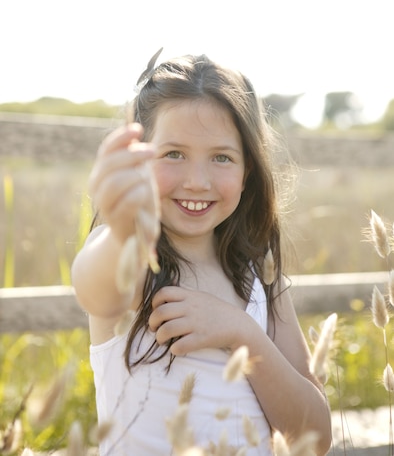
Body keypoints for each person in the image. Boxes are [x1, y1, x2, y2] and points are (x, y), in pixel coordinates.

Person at [71, 52, 332, 456]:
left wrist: (243, 333)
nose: (197, 181)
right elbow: (97, 291)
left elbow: (314, 436)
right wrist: (123, 231)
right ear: (140, 157)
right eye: (173, 154)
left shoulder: (259, 275)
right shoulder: (132, 258)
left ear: (248, 172)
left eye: (221, 157)